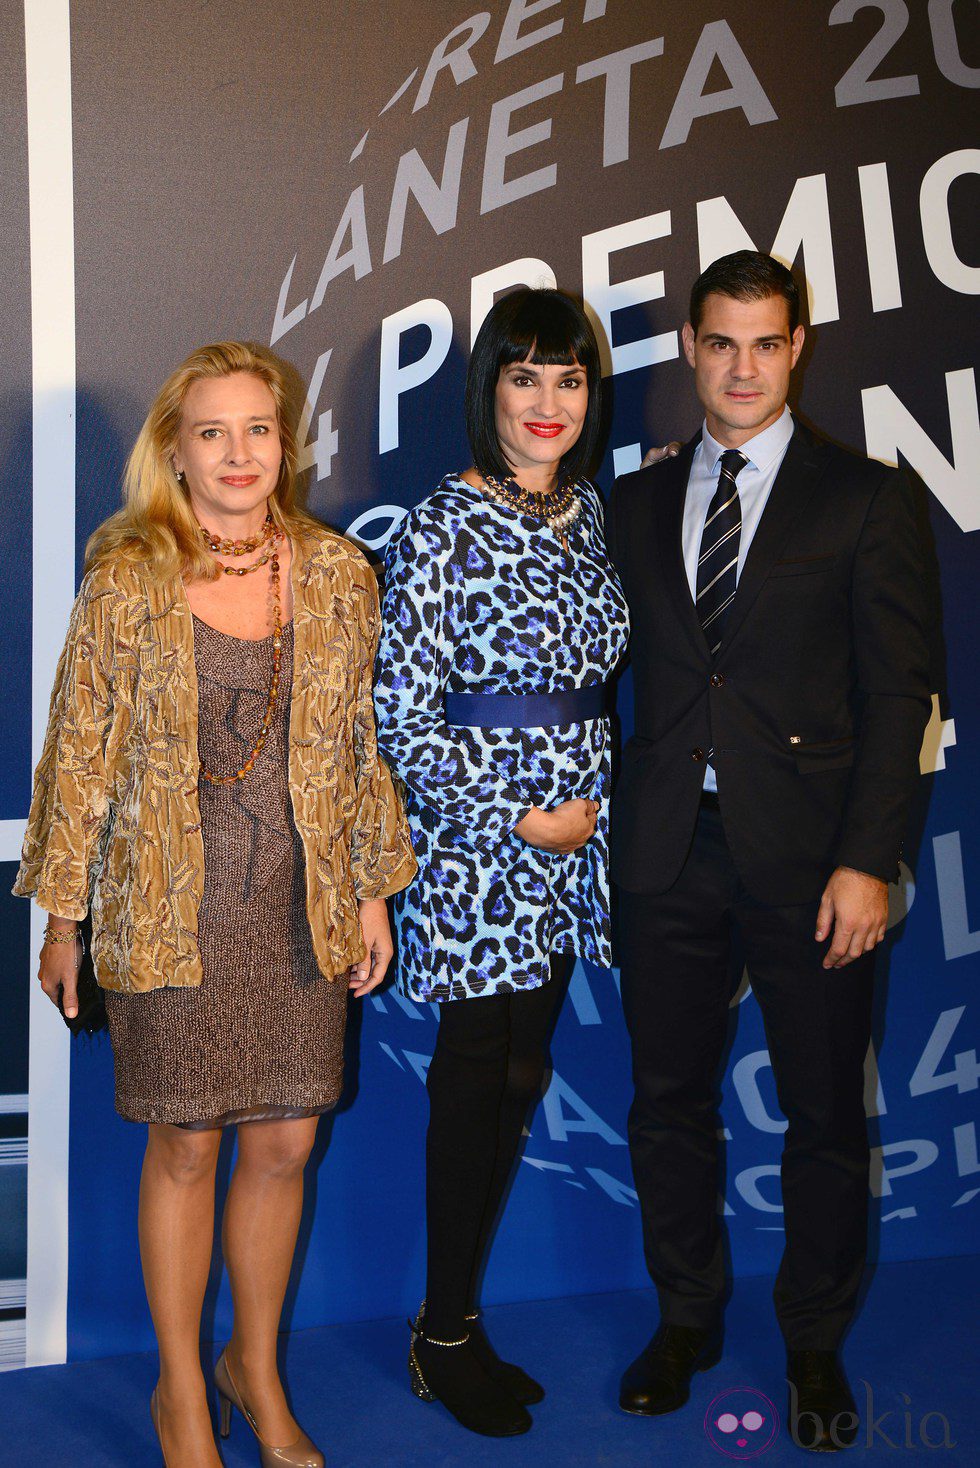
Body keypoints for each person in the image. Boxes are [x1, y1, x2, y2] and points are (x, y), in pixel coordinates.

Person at [15, 342, 415, 1468]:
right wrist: (60, 920)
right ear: (174, 449)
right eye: (212, 431)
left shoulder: (337, 573)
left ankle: (256, 1366)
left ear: (285, 443)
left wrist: (374, 894)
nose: (239, 453)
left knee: (286, 1141)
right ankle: (182, 1391)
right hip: (166, 906)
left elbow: (355, 746)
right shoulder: (128, 576)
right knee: (186, 1145)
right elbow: (78, 759)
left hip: (300, 906)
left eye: (258, 429)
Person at [607, 252, 931, 1453]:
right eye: (719, 342)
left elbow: (899, 696)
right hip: (663, 853)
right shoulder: (633, 504)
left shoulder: (863, 497)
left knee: (822, 1118)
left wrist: (868, 860)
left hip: (812, 863)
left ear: (795, 349)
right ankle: (685, 1318)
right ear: (690, 349)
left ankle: (810, 1341)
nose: (740, 367)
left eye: (764, 342)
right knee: (666, 1105)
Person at [373, 287, 629, 1438]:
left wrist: (578, 823)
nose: (545, 401)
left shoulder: (590, 518)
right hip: (483, 857)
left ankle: (461, 1321)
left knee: (518, 1080)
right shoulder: (440, 523)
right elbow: (400, 719)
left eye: (567, 378)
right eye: (522, 376)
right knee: (475, 1084)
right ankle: (438, 1337)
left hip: (572, 859)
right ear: (487, 390)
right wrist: (518, 816)